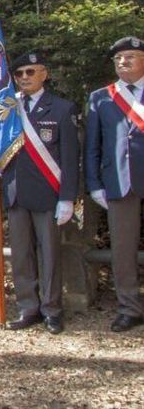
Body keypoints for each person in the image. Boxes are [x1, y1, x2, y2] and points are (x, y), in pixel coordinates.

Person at [0, 53, 78, 334]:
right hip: (16, 192)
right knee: (21, 255)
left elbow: (69, 157)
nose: (25, 77)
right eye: (19, 74)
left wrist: (68, 197)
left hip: (47, 194)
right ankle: (28, 306)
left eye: (31, 71)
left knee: (50, 255)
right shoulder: (8, 108)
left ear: (45, 73)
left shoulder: (62, 109)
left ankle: (52, 309)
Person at [85, 36, 144, 333]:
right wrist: (94, 183)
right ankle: (130, 307)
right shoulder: (101, 97)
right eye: (119, 58)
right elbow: (92, 146)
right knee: (122, 249)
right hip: (119, 181)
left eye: (130, 57)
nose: (123, 62)